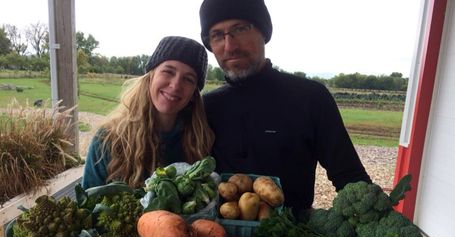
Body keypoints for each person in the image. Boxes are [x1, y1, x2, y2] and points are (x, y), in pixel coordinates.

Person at [199, 0, 371, 219]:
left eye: (240, 29)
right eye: (217, 35)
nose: (229, 46)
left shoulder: (311, 97)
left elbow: (350, 177)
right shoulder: (207, 106)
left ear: (264, 32)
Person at [82, 36, 214, 189]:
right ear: (150, 77)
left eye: (188, 79)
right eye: (168, 72)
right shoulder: (108, 139)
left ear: (194, 94)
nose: (176, 85)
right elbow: (87, 204)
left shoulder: (200, 139)